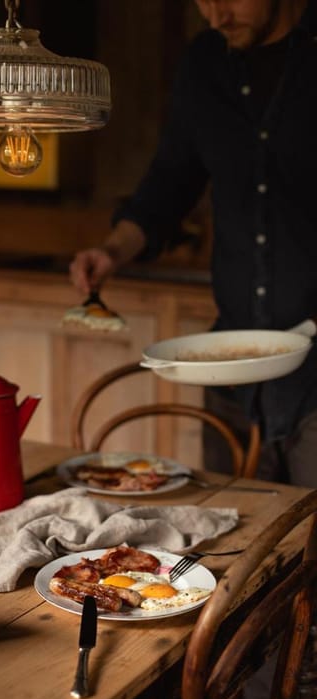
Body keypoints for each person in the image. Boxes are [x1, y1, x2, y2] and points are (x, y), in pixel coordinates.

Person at [69, 0, 317, 490]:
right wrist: (115, 249)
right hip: (232, 371)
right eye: (203, 1)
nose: (215, 16)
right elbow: (170, 181)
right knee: (229, 535)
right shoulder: (205, 62)